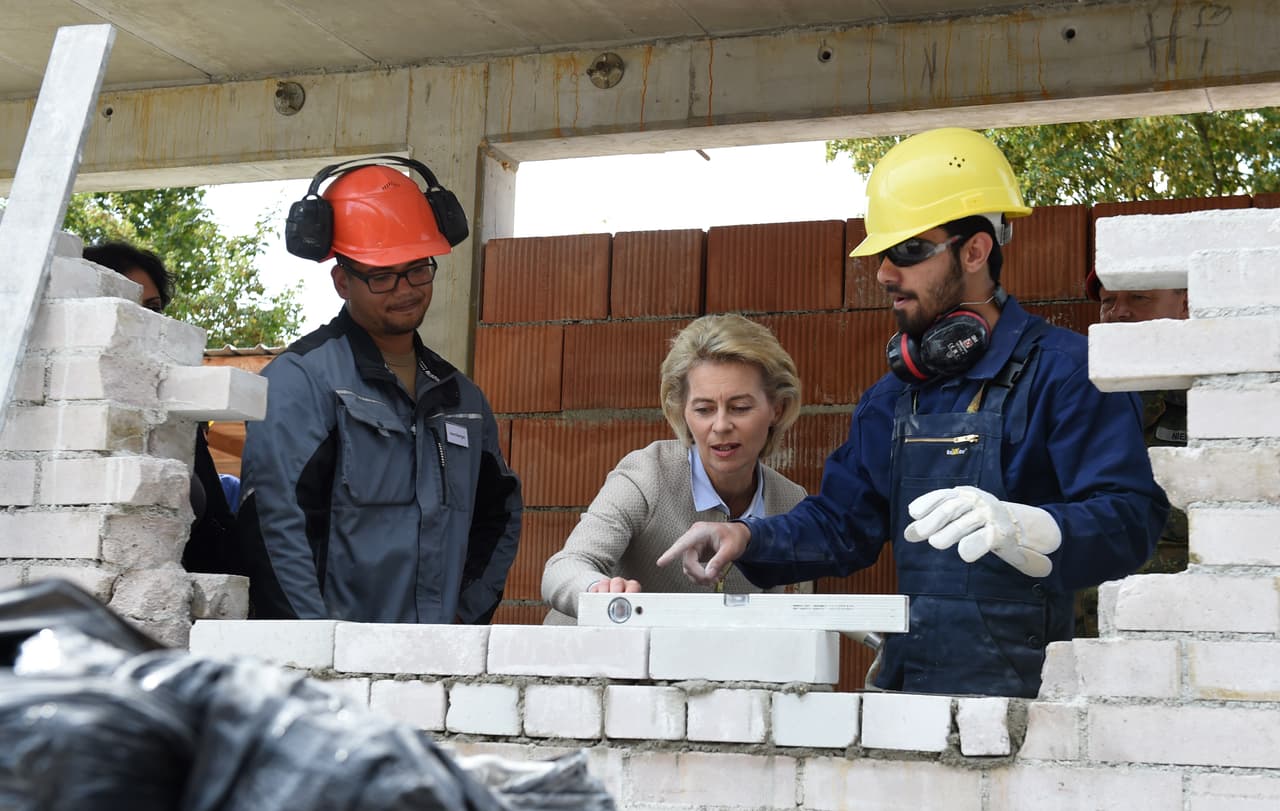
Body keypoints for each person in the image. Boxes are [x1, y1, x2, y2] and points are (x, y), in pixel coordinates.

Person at [658, 128, 1170, 698]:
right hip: (915, 696)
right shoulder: (892, 399)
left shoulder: (1069, 375)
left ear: (975, 250)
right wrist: (747, 538)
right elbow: (844, 526)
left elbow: (1129, 520)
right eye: (883, 255)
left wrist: (1031, 528)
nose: (884, 274)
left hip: (1045, 705)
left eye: (908, 252)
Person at [237, 157, 522, 623]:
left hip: (436, 662)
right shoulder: (302, 381)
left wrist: (461, 627)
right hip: (338, 667)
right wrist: (317, 654)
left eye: (417, 270)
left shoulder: (461, 400)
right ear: (342, 280)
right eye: (382, 275)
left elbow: (498, 517)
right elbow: (275, 527)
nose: (405, 289)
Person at [541, 314, 807, 624]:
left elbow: (771, 621)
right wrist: (602, 592)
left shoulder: (791, 502)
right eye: (704, 409)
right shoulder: (647, 474)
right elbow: (563, 567)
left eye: (740, 407)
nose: (721, 425)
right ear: (682, 412)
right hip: (585, 662)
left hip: (694, 669)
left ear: (778, 408)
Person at [83, 241, 240, 575]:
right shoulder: (61, 418)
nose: (145, 322)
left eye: (153, 309)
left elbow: (215, 518)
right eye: (129, 307)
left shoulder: (176, 408)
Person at [1072, 269, 1189, 636]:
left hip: (1181, 630)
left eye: (1139, 298)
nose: (1118, 313)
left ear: (1185, 305)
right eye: (1108, 301)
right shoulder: (1073, 402)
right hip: (1080, 634)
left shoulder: (1223, 402)